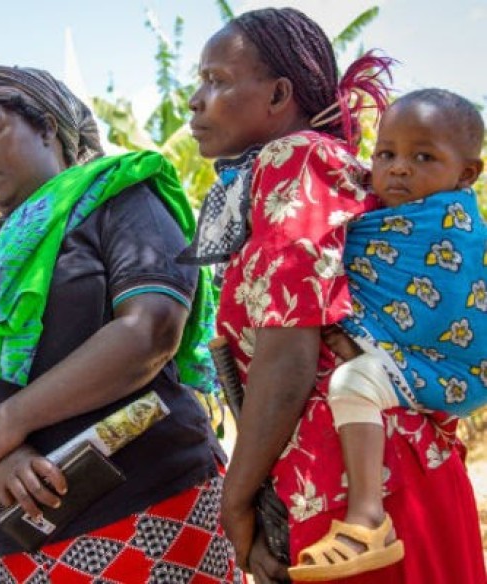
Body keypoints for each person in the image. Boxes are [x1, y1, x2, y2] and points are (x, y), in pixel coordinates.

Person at [181, 8, 486, 584]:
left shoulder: (294, 158)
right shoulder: (313, 170)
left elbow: (288, 353)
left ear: (278, 94)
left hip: (364, 504)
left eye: (217, 80)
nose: (197, 99)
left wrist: (235, 501)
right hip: (374, 481)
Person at [0, 53, 238, 583]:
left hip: (150, 501)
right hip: (26, 526)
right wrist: (1, 457)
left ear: (47, 127)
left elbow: (151, 328)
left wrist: (8, 421)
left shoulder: (120, 198)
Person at [289, 88, 487, 580]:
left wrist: (354, 333)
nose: (398, 167)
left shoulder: (454, 229)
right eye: (386, 153)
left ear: (467, 174)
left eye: (423, 156)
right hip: (404, 372)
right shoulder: (374, 220)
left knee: (351, 385)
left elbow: (437, 307)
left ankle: (366, 517)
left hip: (444, 363)